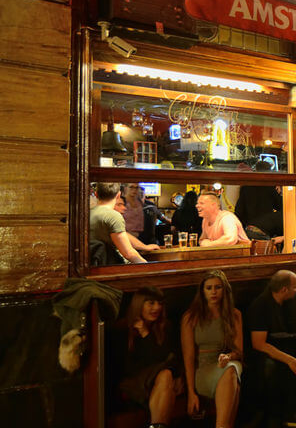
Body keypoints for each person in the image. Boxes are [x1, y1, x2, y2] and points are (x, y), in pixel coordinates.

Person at [247, 270, 296, 427]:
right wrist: (290, 360)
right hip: (269, 350)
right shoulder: (260, 305)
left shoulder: (293, 300)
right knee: (277, 369)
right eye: (295, 287)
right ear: (284, 289)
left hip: (291, 344)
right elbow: (259, 344)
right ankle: (285, 415)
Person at [180, 270, 243, 427]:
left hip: (226, 362)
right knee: (231, 375)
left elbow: (239, 352)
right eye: (209, 288)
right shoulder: (191, 317)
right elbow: (188, 357)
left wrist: (228, 357)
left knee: (231, 370)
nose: (213, 292)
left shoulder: (234, 315)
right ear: (202, 291)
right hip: (202, 369)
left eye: (218, 287)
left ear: (224, 290)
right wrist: (191, 393)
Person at [118, 287, 180, 428]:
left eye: (160, 303)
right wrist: (145, 334)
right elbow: (128, 369)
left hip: (160, 382)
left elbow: (169, 358)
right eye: (151, 303)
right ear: (139, 304)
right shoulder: (124, 330)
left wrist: (146, 333)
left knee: (166, 376)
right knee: (166, 375)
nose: (157, 308)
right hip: (133, 382)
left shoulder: (165, 327)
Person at [91, 183, 148, 264]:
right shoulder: (113, 216)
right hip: (112, 267)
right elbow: (129, 254)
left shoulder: (88, 213)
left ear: (96, 194)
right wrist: (148, 267)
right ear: (118, 195)